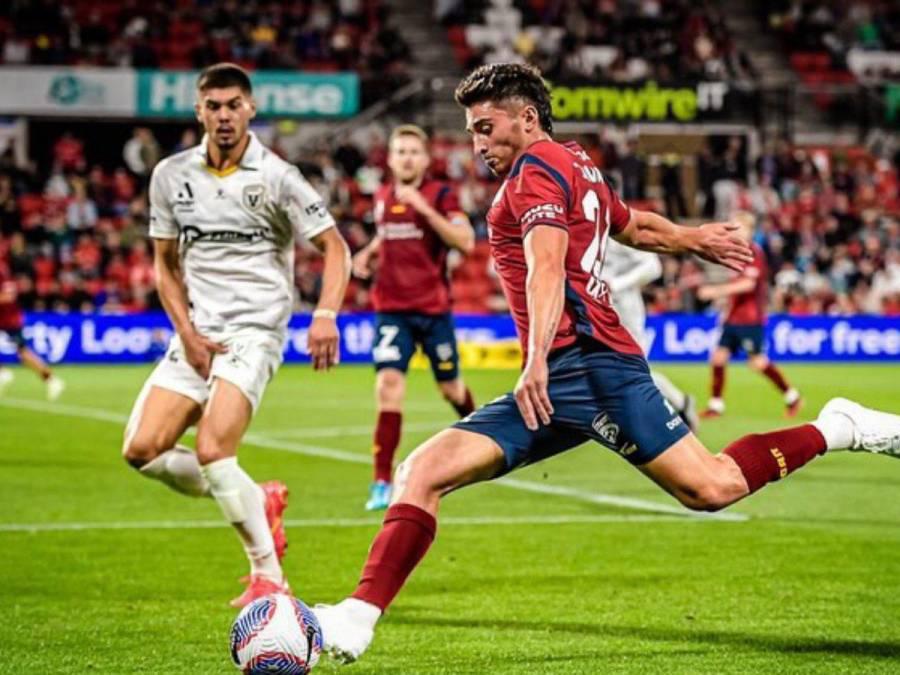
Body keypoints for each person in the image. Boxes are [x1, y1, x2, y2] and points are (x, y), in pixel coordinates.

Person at [311, 63, 900, 663]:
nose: (477, 144)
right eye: (471, 131)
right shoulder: (576, 162)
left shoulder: (534, 177)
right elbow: (633, 224)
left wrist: (535, 355)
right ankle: (356, 619)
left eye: (486, 128)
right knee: (422, 473)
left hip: (595, 366)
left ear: (527, 117)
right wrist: (693, 237)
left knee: (711, 487)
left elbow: (547, 265)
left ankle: (839, 426)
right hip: (563, 373)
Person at [120, 63, 351, 608]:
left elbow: (336, 248)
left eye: (233, 105)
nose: (224, 116)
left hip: (255, 329)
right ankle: (259, 499)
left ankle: (269, 576)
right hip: (199, 332)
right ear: (199, 110)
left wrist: (326, 314)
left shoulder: (278, 177)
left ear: (250, 109)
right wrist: (188, 333)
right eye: (213, 106)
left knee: (212, 449)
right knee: (142, 451)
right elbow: (164, 266)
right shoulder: (170, 176)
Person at [351, 125, 477, 511]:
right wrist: (369, 252)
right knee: (388, 386)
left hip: (432, 309)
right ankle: (380, 482)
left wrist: (423, 209)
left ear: (424, 159)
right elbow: (389, 233)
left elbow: (465, 241)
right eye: (399, 151)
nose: (406, 157)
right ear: (389, 158)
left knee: (451, 390)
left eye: (412, 152)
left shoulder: (441, 194)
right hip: (391, 308)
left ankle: (488, 441)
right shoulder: (384, 195)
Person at [697, 210, 801, 418]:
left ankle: (792, 396)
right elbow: (737, 286)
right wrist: (725, 305)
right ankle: (716, 405)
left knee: (757, 362)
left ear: (751, 231)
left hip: (750, 319)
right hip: (733, 317)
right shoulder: (734, 252)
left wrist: (715, 291)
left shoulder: (754, 252)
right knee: (718, 358)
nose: (735, 232)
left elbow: (748, 284)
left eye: (740, 228)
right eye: (733, 228)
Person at [600, 237, 698, 430]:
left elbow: (653, 267)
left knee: (635, 370)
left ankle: (678, 405)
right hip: (594, 307)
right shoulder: (582, 228)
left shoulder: (616, 231)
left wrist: (617, 284)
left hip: (624, 308)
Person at [0, 257, 65, 400]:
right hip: (7, 317)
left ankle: (51, 379)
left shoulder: (2, 272)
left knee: (23, 354)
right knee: (23, 354)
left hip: (9, 319)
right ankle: (3, 372)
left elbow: (8, 296)